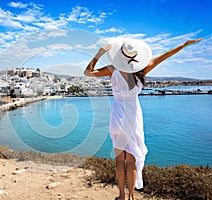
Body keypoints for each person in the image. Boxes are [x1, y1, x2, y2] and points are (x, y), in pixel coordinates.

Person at [84, 37, 202, 200]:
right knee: (131, 160)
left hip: (117, 118)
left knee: (119, 160)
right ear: (136, 56)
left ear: (120, 54)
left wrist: (99, 54)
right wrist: (183, 45)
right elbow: (165, 56)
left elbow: (87, 72)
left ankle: (121, 196)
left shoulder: (112, 69)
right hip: (133, 119)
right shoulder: (141, 71)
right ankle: (132, 196)